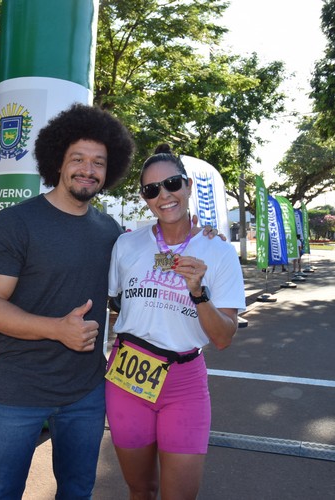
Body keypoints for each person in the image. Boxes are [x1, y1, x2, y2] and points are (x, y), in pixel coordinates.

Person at [0, 103, 136, 499]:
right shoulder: (16, 223)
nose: (88, 169)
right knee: (1, 492)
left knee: (78, 491)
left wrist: (198, 238)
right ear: (57, 162)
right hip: (18, 391)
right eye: (78, 158)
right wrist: (58, 330)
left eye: (99, 162)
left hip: (85, 391)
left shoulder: (108, 229)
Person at [105, 144, 246, 499]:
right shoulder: (126, 245)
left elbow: (224, 337)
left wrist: (198, 292)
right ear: (144, 198)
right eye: (152, 190)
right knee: (140, 489)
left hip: (183, 382)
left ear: (187, 186)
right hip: (127, 375)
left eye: (171, 184)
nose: (163, 195)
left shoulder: (218, 251)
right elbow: (113, 302)